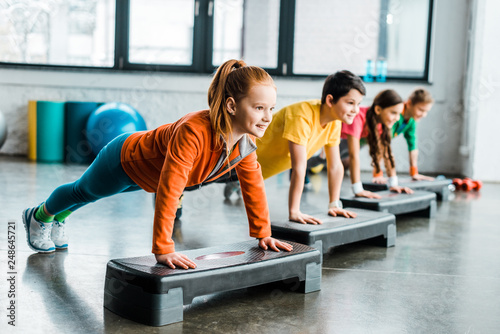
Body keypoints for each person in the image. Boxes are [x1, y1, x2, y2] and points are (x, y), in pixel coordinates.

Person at [22, 59, 293, 269]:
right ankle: (39, 215)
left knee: (93, 195)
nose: (268, 117)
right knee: (83, 191)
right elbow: (171, 189)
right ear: (232, 106)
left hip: (145, 177)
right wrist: (163, 248)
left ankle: (60, 216)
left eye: (271, 108)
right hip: (125, 160)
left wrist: (263, 234)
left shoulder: (244, 144)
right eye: (259, 108)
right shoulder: (194, 131)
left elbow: (253, 186)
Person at [226, 70, 366, 225]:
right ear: (330, 100)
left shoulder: (335, 121)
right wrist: (294, 211)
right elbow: (299, 167)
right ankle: (234, 182)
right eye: (350, 103)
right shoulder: (302, 116)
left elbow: (335, 165)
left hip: (256, 171)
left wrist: (334, 204)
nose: (356, 110)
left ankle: (236, 183)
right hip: (234, 160)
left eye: (358, 104)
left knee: (237, 180)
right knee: (198, 181)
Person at [340, 89, 413, 198]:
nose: (397, 118)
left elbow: (387, 153)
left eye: (399, 114)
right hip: (335, 139)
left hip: (351, 140)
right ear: (378, 109)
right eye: (393, 113)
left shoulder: (382, 124)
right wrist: (358, 189)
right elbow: (354, 156)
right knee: (318, 159)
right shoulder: (358, 117)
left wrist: (393, 184)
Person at [371, 88, 435, 184]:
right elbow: (381, 143)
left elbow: (413, 146)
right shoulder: (395, 114)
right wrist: (378, 174)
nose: (424, 115)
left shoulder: (412, 121)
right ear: (409, 104)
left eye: (426, 111)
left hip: (369, 142)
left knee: (346, 162)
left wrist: (414, 172)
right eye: (421, 110)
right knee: (345, 159)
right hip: (359, 137)